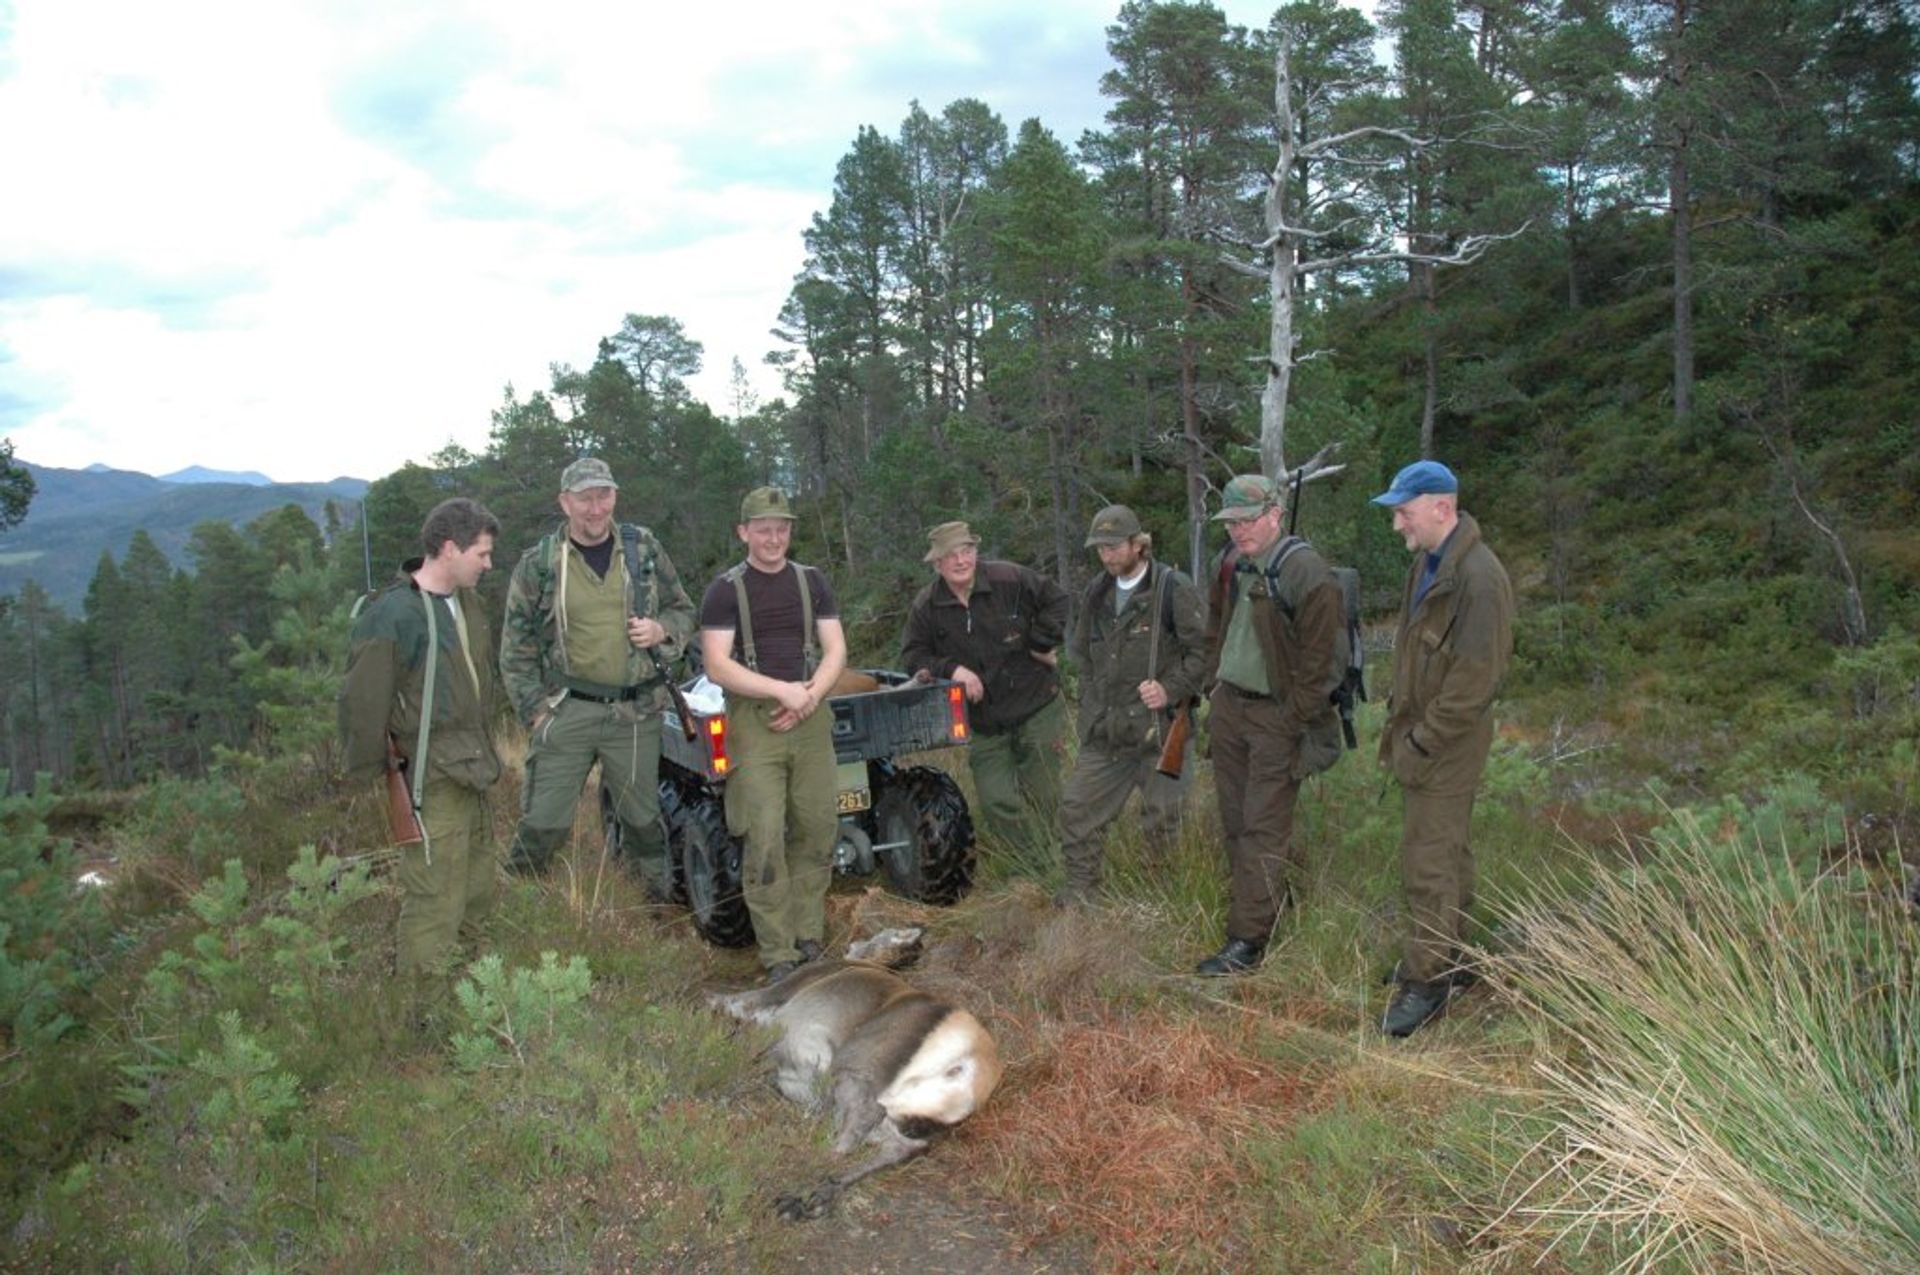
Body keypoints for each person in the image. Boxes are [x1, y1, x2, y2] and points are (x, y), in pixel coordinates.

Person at [498, 457, 695, 896]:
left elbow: (684, 609)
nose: (595, 508)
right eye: (584, 498)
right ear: (565, 502)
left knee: (643, 821)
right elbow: (516, 649)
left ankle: (655, 911)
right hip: (567, 710)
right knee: (543, 823)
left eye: (602, 495)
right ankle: (520, 906)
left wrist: (662, 631)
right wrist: (535, 713)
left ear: (614, 496)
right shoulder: (541, 565)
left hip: (636, 711)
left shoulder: (642, 549)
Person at [1372, 459, 1513, 1036]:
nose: (1397, 526)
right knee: (1447, 852)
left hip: (1445, 743)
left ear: (1441, 507)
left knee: (1428, 860)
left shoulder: (1479, 578)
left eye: (1403, 513)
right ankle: (1447, 958)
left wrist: (1423, 742)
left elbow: (1476, 679)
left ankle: (1427, 983)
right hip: (1425, 734)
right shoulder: (1431, 563)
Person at [340, 497, 505, 980]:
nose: (489, 564)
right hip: (430, 778)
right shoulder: (392, 615)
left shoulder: (470, 605)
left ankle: (475, 1004)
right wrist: (379, 775)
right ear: (450, 548)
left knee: (477, 896)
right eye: (482, 553)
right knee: (435, 906)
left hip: (474, 770)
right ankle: (427, 1027)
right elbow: (362, 702)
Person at [1196, 475, 1346, 976]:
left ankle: (1246, 941)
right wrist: (1212, 692)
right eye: (1231, 522)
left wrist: (1288, 721)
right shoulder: (1231, 564)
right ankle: (1269, 908)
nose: (1238, 531)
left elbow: (1323, 666)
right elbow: (1215, 629)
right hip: (1231, 710)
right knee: (1237, 822)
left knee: (1262, 827)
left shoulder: (1307, 573)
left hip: (1275, 718)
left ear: (1276, 515)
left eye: (1248, 520)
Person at [698, 486, 848, 983]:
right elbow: (717, 665)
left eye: (781, 527)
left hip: (810, 714)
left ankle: (809, 935)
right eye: (763, 528)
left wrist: (807, 697)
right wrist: (782, 692)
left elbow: (835, 651)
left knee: (817, 826)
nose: (773, 537)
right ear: (744, 532)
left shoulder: (812, 582)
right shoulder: (725, 590)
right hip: (755, 722)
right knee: (763, 836)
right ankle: (779, 954)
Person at [1055, 505, 1207, 907]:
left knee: (1163, 823)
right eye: (1100, 548)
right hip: (1107, 732)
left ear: (1138, 545)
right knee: (1077, 810)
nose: (1106, 555)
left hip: (1161, 730)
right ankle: (1080, 896)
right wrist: (1092, 702)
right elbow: (1081, 654)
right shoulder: (1096, 593)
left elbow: (1203, 653)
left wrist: (1170, 689)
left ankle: (1160, 906)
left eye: (1114, 546)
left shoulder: (1173, 588)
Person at [901, 521, 1071, 868]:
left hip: (1036, 703)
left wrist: (1041, 641)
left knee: (1044, 793)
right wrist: (952, 670)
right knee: (996, 800)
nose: (962, 561)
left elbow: (1058, 600)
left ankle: (1056, 861)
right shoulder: (927, 606)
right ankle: (1031, 864)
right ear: (937, 564)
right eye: (951, 555)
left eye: (967, 551)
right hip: (981, 720)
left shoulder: (1010, 579)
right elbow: (912, 656)